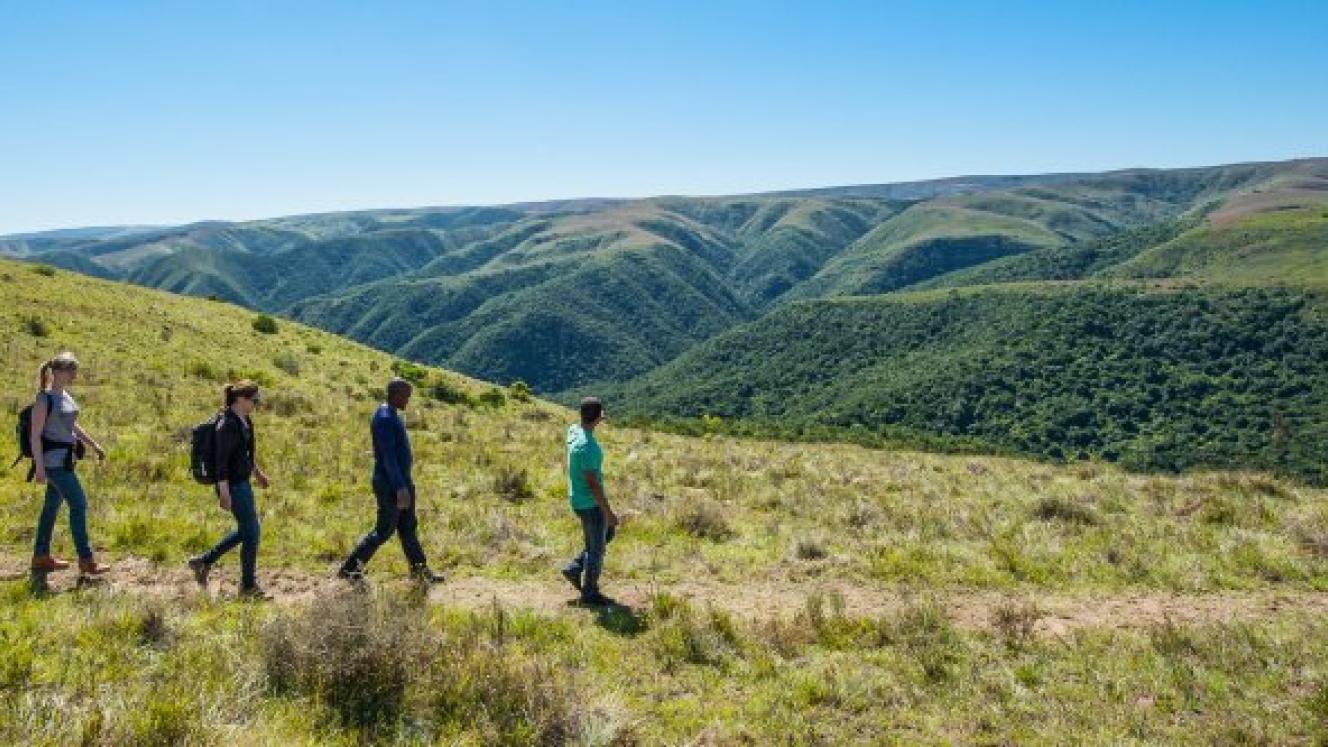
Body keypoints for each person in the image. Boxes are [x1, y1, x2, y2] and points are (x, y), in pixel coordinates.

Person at [338, 378, 444, 583]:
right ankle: (349, 570)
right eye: (406, 396)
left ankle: (419, 570)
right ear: (395, 395)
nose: (408, 401)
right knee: (384, 529)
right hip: (391, 484)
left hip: (401, 481)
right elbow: (388, 457)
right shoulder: (385, 418)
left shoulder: (391, 414)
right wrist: (400, 488)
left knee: (408, 528)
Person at [188, 381, 272, 599]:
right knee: (252, 533)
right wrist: (224, 492)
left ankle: (203, 562)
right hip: (232, 486)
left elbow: (246, 454)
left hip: (242, 482)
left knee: (249, 530)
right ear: (240, 399)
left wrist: (258, 473)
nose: (256, 404)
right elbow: (221, 461)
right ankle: (247, 587)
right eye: (254, 400)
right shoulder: (226, 424)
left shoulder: (246, 421)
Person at [29, 352, 110, 576]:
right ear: (55, 372)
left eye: (74, 370)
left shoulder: (65, 396)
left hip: (66, 460)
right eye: (70, 370)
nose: (74, 374)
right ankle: (86, 559)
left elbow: (72, 425)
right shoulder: (44, 399)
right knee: (79, 504)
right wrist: (39, 467)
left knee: (50, 508)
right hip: (52, 463)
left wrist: (94, 445)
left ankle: (40, 556)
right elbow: (35, 436)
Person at [561, 396, 617, 606]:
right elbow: (593, 484)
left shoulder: (574, 432)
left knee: (607, 533)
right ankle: (590, 594)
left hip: (577, 498)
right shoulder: (589, 447)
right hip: (590, 504)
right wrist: (609, 512)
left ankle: (575, 568)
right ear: (599, 417)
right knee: (597, 551)